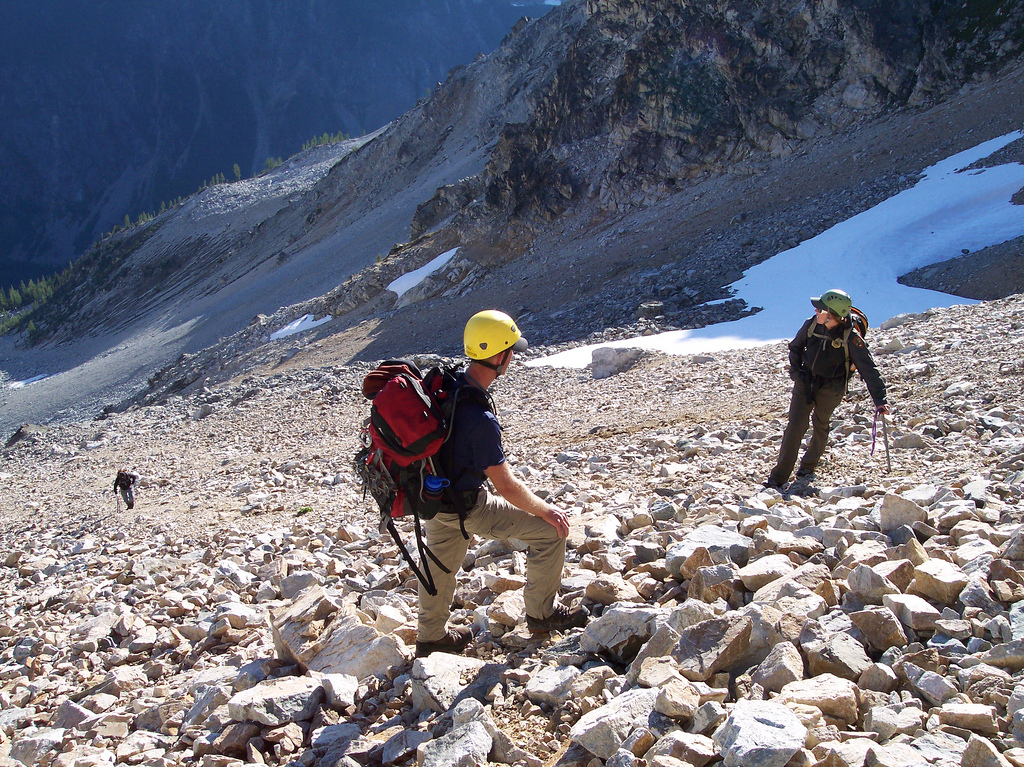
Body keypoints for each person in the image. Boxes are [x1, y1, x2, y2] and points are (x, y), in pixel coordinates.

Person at [415, 309, 588, 657]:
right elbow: (506, 487)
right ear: (499, 356)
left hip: (433, 500)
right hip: (469, 506)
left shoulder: (447, 387)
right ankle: (542, 615)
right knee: (550, 532)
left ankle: (430, 637)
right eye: (510, 350)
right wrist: (547, 510)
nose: (512, 357)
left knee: (439, 565)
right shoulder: (479, 419)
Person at [766, 289, 889, 489]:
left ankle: (808, 466)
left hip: (832, 387)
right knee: (795, 426)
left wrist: (880, 400)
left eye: (821, 309)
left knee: (820, 424)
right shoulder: (812, 324)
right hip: (806, 381)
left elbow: (868, 369)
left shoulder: (852, 337)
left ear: (833, 315)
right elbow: (795, 347)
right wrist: (797, 372)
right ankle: (778, 478)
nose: (816, 311)